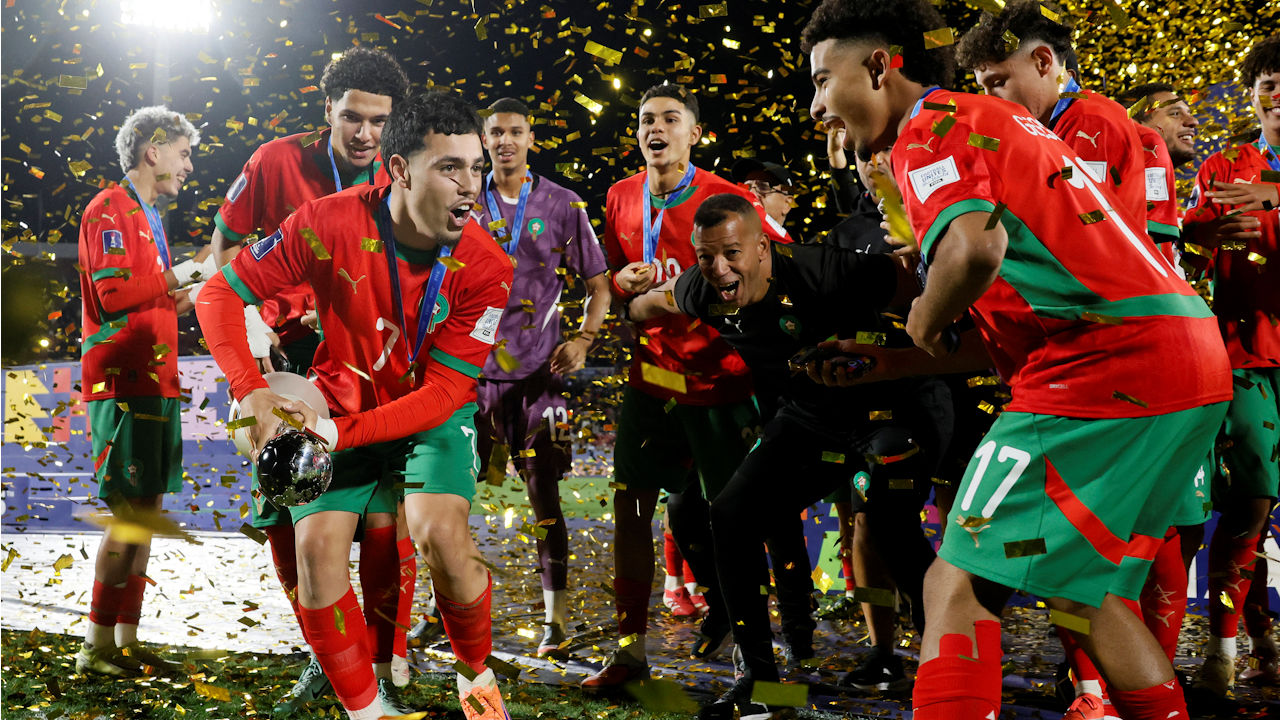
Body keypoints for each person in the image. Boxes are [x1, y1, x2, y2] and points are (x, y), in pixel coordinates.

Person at [803, 2, 1233, 720]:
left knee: (955, 586)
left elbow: (975, 251)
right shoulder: (999, 120)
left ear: (879, 64)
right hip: (1184, 353)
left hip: (1107, 364)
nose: (819, 106)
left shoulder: (928, 130)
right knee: (1088, 595)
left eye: (823, 80)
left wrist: (923, 314)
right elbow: (1033, 304)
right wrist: (897, 362)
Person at [197, 91, 514, 720]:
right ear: (398, 169)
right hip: (336, 402)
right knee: (315, 556)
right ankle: (369, 714)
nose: (470, 185)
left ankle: (477, 682)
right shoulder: (323, 221)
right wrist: (251, 389)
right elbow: (217, 296)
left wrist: (337, 436)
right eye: (450, 167)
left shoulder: (488, 265)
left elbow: (447, 393)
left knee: (441, 536)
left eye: (476, 168)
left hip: (426, 413)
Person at [626, 193, 947, 717]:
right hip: (814, 418)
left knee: (889, 524)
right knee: (729, 513)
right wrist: (628, 296)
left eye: (731, 253)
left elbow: (933, 295)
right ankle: (765, 688)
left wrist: (889, 356)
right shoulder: (700, 289)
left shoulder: (828, 271)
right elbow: (650, 304)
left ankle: (947, 667)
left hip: (897, 404)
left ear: (762, 247)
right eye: (706, 257)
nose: (719, 270)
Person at [956, 9, 1195, 713]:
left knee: (1113, 558)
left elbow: (1087, 252)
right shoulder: (1023, 131)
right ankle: (1094, 689)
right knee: (1072, 561)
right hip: (1073, 363)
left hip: (1115, 365)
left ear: (1043, 62)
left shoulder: (1096, 124)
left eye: (1000, 80)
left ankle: (1121, 687)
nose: (991, 98)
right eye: (980, 85)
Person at [208, 45, 415, 713]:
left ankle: (384, 661)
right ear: (326, 109)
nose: (364, 134)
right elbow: (227, 246)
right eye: (351, 117)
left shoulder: (404, 174)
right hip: (287, 358)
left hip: (370, 359)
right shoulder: (275, 161)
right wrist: (251, 326)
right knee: (286, 511)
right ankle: (323, 656)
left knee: (385, 518)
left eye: (379, 121)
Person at [581, 82, 788, 690]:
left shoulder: (727, 198)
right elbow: (617, 291)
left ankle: (758, 665)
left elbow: (770, 276)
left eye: (671, 119)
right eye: (647, 120)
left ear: (694, 133)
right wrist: (621, 282)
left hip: (718, 387)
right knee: (630, 513)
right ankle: (629, 653)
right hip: (650, 384)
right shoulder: (621, 196)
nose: (656, 129)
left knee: (734, 522)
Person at [470, 96, 611, 658]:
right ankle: (440, 610)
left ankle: (556, 621)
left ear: (531, 139)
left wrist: (583, 340)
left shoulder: (561, 203)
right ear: (484, 140)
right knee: (448, 498)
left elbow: (598, 287)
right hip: (469, 378)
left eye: (516, 131)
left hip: (539, 378)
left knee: (543, 496)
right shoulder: (462, 200)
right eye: (496, 132)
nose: (505, 141)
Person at [76, 106, 213, 676]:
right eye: (183, 153)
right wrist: (179, 274)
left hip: (156, 381)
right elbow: (112, 295)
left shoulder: (150, 216)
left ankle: (126, 640)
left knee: (149, 512)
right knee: (130, 514)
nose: (188, 166)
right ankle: (94, 646)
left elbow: (156, 298)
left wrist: (201, 280)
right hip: (122, 383)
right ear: (152, 149)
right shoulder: (111, 207)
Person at [1182, 33, 1280, 696]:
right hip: (1244, 359)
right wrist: (1200, 233)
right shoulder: (1225, 167)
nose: (1279, 98)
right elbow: (1180, 235)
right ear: (1253, 97)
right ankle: (1222, 656)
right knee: (1248, 509)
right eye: (1268, 86)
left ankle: (1263, 641)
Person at [732, 159, 797, 240]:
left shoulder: (800, 252)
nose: (751, 193)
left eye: (763, 187)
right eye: (746, 187)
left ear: (787, 204)